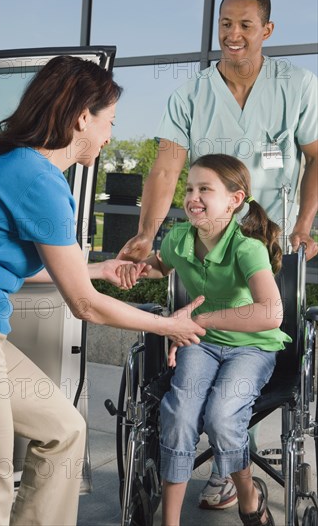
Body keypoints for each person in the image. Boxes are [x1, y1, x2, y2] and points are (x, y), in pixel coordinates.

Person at [0, 56, 206, 526]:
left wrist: (97, 268)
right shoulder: (37, 179)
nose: (110, 135)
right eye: (110, 121)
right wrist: (167, 324)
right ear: (81, 117)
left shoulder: (12, 163)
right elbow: (84, 306)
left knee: (64, 430)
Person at [118, 0, 318, 508]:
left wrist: (304, 225)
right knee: (206, 357)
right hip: (210, 239)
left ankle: (230, 462)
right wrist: (146, 232)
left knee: (256, 342)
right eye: (225, 24)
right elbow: (166, 166)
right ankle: (226, 465)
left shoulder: (297, 86)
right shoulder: (192, 93)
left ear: (267, 30)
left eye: (245, 25)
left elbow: (317, 156)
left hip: (272, 245)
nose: (233, 34)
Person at [117, 153, 292, 526]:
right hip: (202, 342)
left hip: (251, 346)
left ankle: (247, 496)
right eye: (190, 188)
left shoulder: (248, 247)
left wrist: (199, 318)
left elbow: (271, 312)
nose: (193, 196)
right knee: (179, 415)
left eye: (204, 189)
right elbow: (161, 265)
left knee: (222, 417)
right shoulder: (180, 237)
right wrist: (133, 267)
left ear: (235, 200)